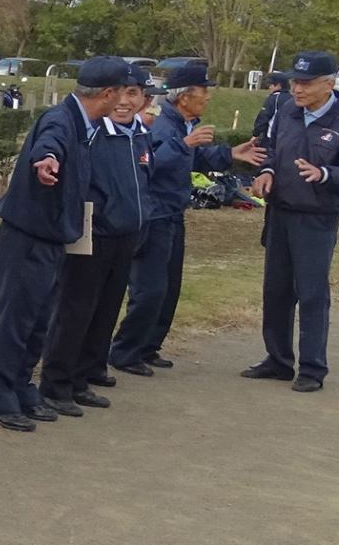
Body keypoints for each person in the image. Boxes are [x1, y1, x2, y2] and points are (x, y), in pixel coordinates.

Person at [0, 57, 129, 431]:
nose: (125, 101)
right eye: (122, 92)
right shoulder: (61, 120)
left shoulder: (84, 124)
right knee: (15, 319)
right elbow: (50, 142)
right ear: (108, 93)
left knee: (38, 320)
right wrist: (46, 160)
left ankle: (20, 386)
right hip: (28, 236)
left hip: (53, 236)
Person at [109, 62, 265, 374]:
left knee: (169, 288)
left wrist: (230, 154)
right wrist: (184, 145)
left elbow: (195, 157)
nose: (208, 97)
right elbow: (148, 163)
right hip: (154, 216)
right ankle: (124, 351)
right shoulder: (161, 125)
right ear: (184, 96)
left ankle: (148, 346)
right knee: (150, 288)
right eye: (203, 91)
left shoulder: (183, 124)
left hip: (173, 213)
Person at [241, 51, 339, 392]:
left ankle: (313, 368)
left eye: (305, 83)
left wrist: (325, 174)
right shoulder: (287, 111)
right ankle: (278, 360)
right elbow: (271, 149)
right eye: (295, 83)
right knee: (276, 291)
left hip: (317, 219)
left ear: (329, 84)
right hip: (280, 213)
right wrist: (267, 171)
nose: (297, 90)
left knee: (312, 293)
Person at [38, 72, 149, 413]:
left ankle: (84, 375)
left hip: (126, 232)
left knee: (105, 309)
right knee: (75, 309)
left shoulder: (140, 135)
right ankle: (56, 383)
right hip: (94, 231)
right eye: (121, 93)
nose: (125, 102)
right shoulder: (93, 131)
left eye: (134, 93)